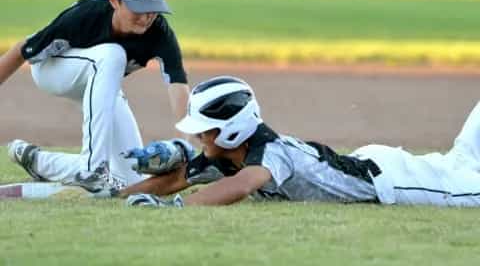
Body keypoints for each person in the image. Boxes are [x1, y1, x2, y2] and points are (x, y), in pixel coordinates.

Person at [118, 75, 480, 208]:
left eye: (206, 128)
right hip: (370, 163)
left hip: (394, 182)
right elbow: (177, 178)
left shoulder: (269, 153)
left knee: (468, 183)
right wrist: (124, 193)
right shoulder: (229, 153)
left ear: (233, 129)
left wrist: (179, 207)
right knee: (462, 159)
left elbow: (244, 185)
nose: (198, 135)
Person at [2, 0, 190, 188]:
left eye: (152, 7)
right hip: (52, 70)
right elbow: (23, 50)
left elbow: (178, 87)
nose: (146, 16)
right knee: (113, 54)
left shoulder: (160, 33)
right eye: (138, 7)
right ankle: (93, 167)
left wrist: (183, 147)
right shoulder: (86, 16)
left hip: (98, 81)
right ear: (114, 0)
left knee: (130, 177)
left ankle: (39, 162)